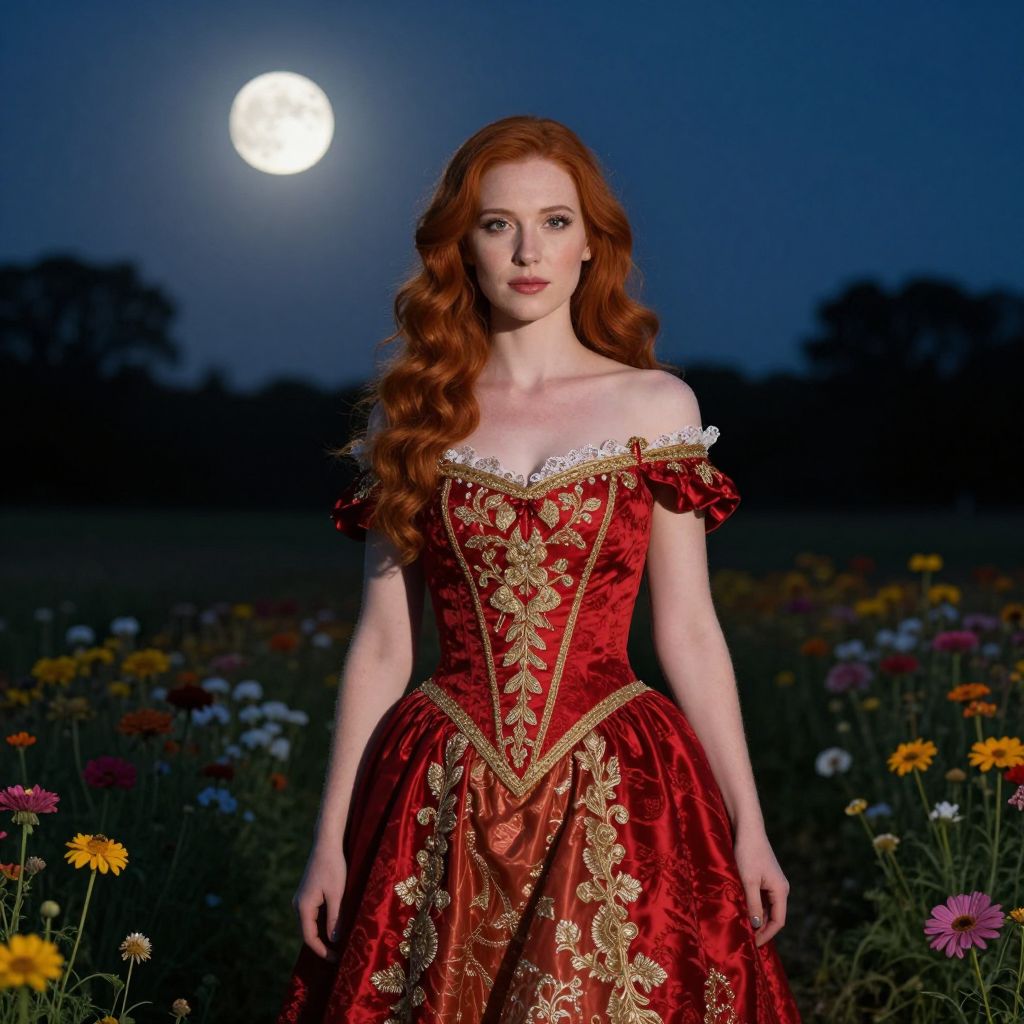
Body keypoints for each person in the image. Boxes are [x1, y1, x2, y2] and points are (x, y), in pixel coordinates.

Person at [276, 114, 802, 1023]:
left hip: (622, 787)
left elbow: (688, 631)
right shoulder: (410, 420)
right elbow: (382, 649)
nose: (530, 250)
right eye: (498, 224)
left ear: (593, 245)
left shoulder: (656, 405)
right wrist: (330, 841)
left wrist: (749, 826)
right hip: (441, 790)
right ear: (461, 248)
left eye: (556, 222)